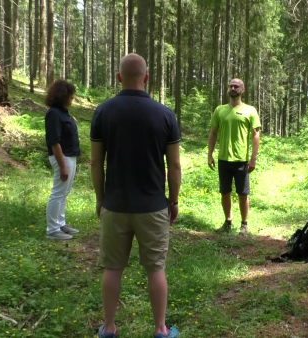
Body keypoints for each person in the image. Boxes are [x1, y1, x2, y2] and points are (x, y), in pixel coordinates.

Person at [90, 53, 181, 338]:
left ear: (118, 78)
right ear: (146, 77)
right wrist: (173, 200)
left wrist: (100, 199)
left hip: (115, 205)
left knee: (112, 268)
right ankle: (160, 330)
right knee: (156, 269)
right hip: (153, 206)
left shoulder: (103, 112)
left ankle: (109, 328)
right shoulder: (165, 114)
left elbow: (95, 162)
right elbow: (174, 165)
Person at [208, 78, 261, 236]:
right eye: (231, 86)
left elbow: (256, 135)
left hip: (241, 160)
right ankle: (228, 222)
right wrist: (209, 154)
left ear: (242, 90)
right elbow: (213, 133)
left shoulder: (249, 110)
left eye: (236, 86)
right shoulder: (219, 110)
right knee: (224, 192)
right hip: (223, 159)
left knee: (243, 193)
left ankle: (244, 225)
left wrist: (253, 158)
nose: (233, 88)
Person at [44, 80, 80, 240]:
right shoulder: (53, 114)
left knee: (64, 192)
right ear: (63, 96)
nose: (72, 98)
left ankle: (60, 223)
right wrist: (63, 165)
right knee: (58, 193)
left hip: (69, 156)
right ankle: (52, 230)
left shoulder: (63, 113)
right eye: (70, 95)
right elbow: (54, 141)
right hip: (62, 157)